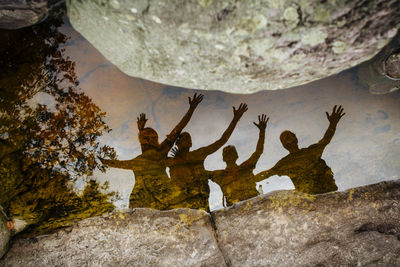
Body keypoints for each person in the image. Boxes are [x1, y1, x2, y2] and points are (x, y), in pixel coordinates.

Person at [100, 93, 203, 209]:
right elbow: (119, 163)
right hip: (145, 199)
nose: (150, 140)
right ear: (143, 140)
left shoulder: (158, 153)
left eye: (153, 137)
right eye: (147, 138)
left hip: (160, 198)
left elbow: (178, 129)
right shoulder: (143, 159)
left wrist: (191, 110)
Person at [166, 103, 248, 211]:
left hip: (201, 205)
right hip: (180, 206)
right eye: (184, 138)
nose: (188, 140)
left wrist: (235, 119)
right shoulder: (170, 161)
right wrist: (190, 110)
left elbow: (221, 141)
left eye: (189, 139)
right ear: (177, 142)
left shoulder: (198, 154)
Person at [256, 105, 345, 194]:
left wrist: (333, 123)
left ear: (296, 138)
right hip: (309, 197)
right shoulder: (284, 163)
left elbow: (326, 139)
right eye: (283, 139)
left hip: (327, 192)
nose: (286, 138)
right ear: (283, 145)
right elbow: (266, 174)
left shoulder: (311, 151)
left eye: (289, 135)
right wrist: (248, 178)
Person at [211, 114, 268, 206]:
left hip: (255, 207)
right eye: (226, 153)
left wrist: (262, 132)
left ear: (236, 155)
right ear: (223, 158)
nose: (229, 154)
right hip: (235, 213)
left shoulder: (246, 167)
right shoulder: (219, 175)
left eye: (231, 152)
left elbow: (258, 152)